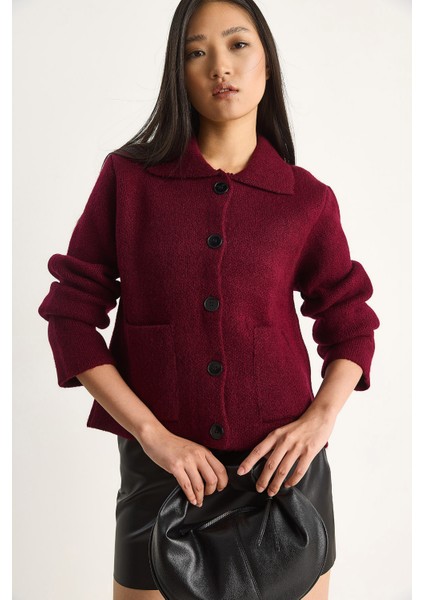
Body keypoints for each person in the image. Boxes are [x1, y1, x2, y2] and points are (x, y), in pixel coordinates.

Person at [37, 0, 380, 598]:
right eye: (196, 52)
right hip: (161, 470)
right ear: (179, 72)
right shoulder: (129, 180)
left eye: (238, 45)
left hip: (284, 476)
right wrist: (152, 436)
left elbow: (350, 321)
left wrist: (319, 421)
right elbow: (70, 316)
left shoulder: (306, 199)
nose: (220, 66)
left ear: (268, 62)